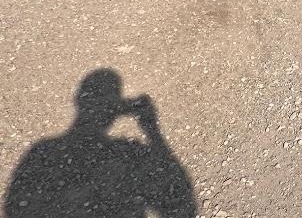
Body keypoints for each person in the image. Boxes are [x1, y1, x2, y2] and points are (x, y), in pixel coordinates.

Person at [4, 69, 196, 218]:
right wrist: (152, 130)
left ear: (78, 99)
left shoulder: (42, 151)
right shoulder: (129, 150)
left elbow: (13, 207)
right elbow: (183, 204)